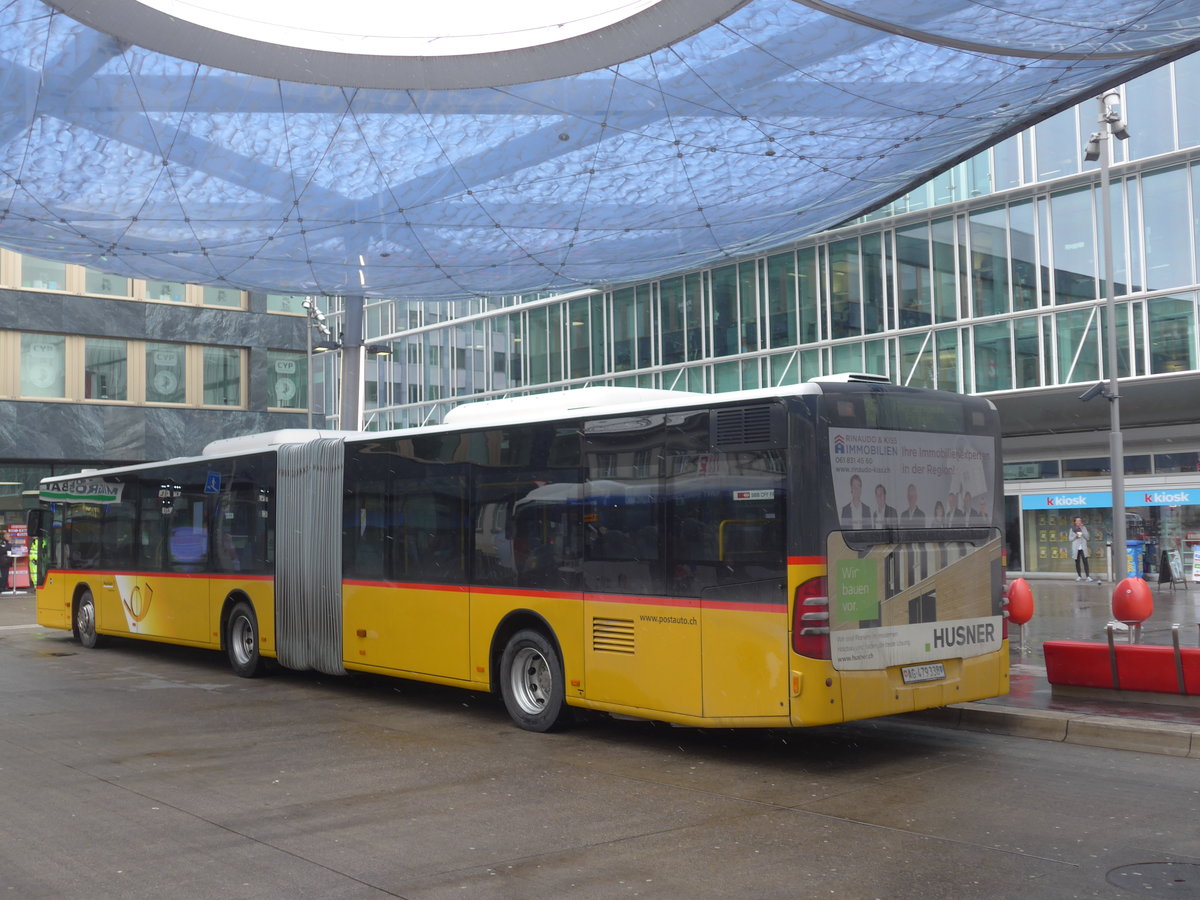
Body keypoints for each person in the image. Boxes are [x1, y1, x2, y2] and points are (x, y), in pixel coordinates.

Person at [1069, 516, 1093, 582]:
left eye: (1080, 521)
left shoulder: (1084, 528)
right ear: (1075, 522)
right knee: (1077, 562)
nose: (1079, 522)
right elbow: (1070, 539)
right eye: (1077, 521)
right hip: (1076, 548)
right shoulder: (1072, 529)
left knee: (1085, 562)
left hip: (1083, 547)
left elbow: (1087, 537)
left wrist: (1082, 529)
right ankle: (1079, 576)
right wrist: (1075, 536)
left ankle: (1088, 576)